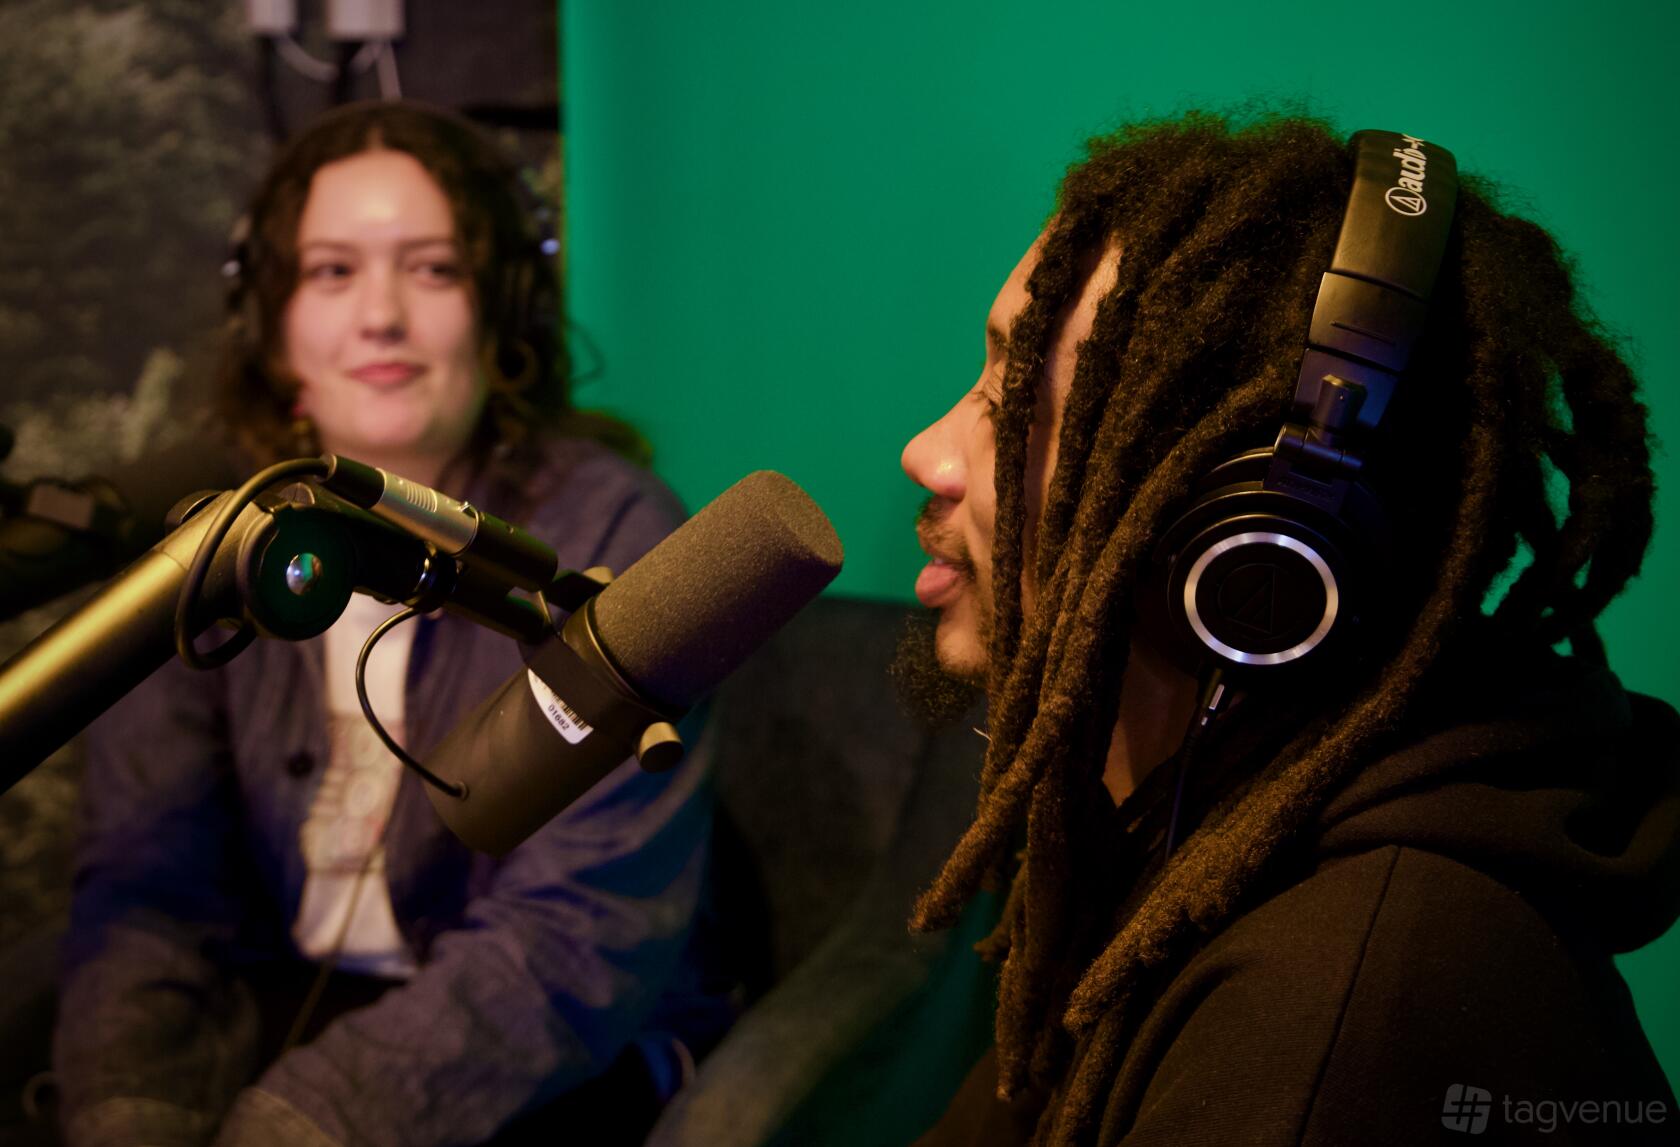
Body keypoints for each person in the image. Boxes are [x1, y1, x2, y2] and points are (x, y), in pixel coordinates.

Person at [897, 113, 1680, 1145]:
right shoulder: (1187, 838)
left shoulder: (1338, 1025)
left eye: (1014, 404)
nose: (926, 455)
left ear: (1248, 551)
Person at [52, 101, 732, 1147]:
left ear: (501, 310)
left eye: (432, 269)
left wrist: (294, 1126)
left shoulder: (614, 529)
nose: (381, 316)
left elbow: (575, 936)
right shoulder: (202, 539)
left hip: (534, 1058)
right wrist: (131, 1112)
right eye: (332, 271)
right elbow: (150, 880)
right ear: (270, 320)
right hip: (282, 1013)